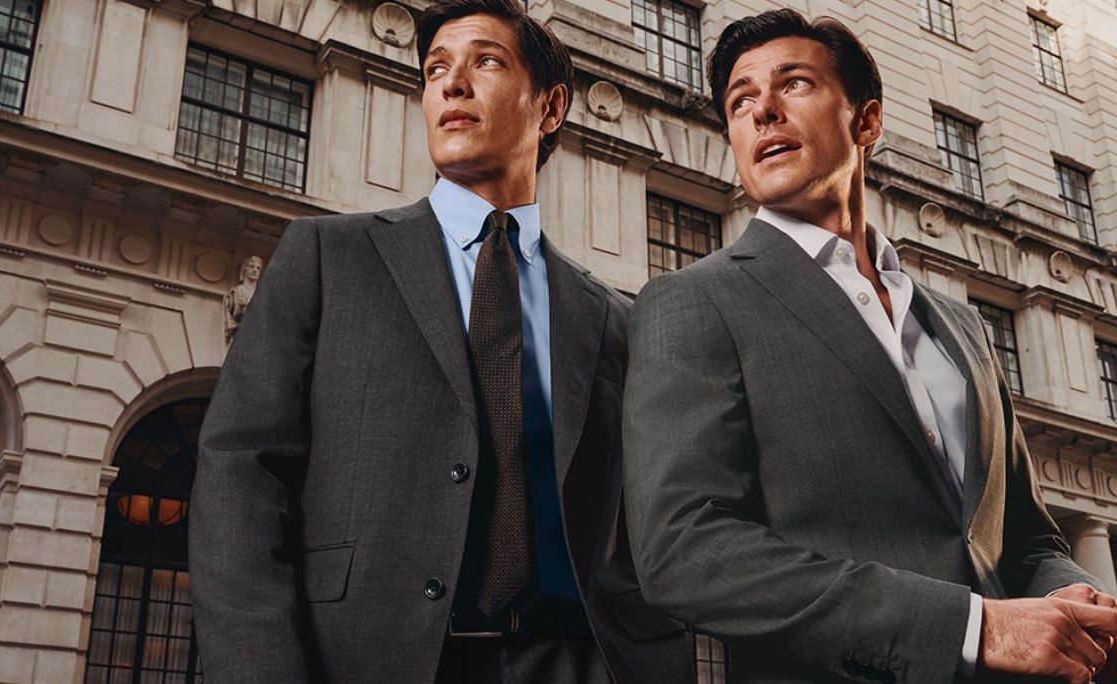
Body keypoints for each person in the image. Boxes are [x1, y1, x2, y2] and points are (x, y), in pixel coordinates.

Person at [189, 0, 693, 681]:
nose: (451, 84)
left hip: (575, 660)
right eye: (434, 70)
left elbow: (648, 528)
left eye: (485, 61)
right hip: (369, 656)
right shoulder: (327, 257)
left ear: (550, 109)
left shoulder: (611, 317)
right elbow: (239, 473)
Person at [623, 8, 1117, 683]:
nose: (762, 110)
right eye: (740, 100)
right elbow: (687, 551)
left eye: (793, 84)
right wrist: (974, 627)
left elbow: (1027, 535)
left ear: (867, 121)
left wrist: (1068, 592)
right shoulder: (694, 302)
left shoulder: (963, 325)